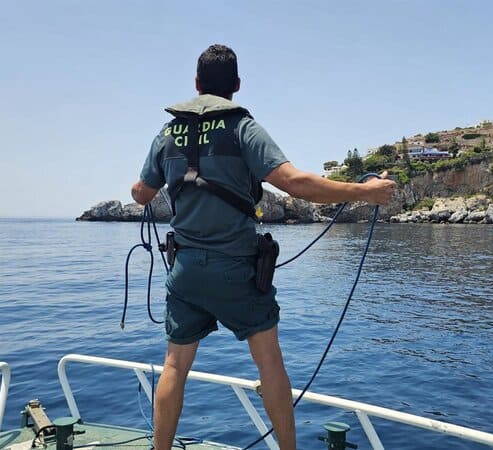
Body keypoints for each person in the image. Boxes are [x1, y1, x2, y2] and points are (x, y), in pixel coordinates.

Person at [131, 44, 395, 450]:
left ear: (197, 84)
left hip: (184, 271)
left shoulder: (167, 134)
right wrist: (366, 192)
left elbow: (141, 194)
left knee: (174, 365)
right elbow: (294, 182)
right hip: (238, 270)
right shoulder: (243, 128)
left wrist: (144, 184)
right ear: (236, 85)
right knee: (269, 363)